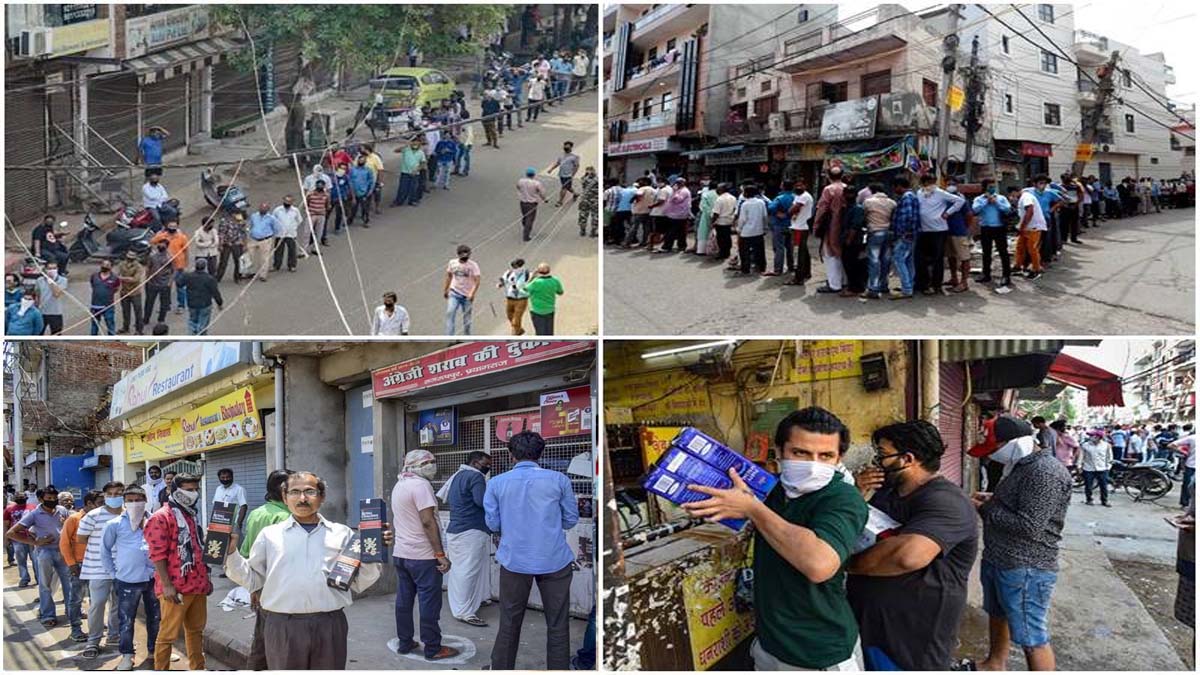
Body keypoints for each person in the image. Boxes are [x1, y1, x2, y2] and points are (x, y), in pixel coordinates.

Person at [683, 408, 868, 670]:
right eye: (800, 453)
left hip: (818, 653)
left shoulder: (842, 499)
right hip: (770, 644)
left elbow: (819, 564)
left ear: (839, 458)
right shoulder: (773, 489)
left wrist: (752, 509)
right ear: (779, 452)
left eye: (825, 456)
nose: (813, 464)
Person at [223, 471, 391, 669]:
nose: (302, 498)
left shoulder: (342, 534)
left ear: (322, 497)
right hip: (282, 625)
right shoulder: (269, 535)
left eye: (310, 491)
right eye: (294, 492)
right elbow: (252, 579)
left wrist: (373, 553)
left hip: (329, 625)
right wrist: (231, 552)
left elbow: (360, 582)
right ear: (285, 497)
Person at [847, 421, 978, 670]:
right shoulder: (887, 491)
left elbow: (906, 557)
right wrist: (855, 493)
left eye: (883, 455)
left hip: (913, 637)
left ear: (907, 459)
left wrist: (843, 563)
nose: (876, 462)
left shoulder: (947, 501)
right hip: (874, 622)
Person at [962, 415, 1071, 671]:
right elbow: (1019, 503)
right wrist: (992, 498)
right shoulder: (1021, 465)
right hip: (1000, 558)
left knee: (1032, 637)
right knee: (998, 616)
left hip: (1026, 566)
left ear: (1016, 443)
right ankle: (994, 664)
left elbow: (1029, 526)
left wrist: (985, 508)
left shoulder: (1045, 473)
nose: (991, 457)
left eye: (994, 449)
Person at [485, 431, 579, 669]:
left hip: (514, 560)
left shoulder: (496, 483)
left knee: (509, 620)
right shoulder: (559, 480)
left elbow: (493, 524)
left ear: (510, 454)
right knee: (557, 622)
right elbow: (570, 519)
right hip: (554, 560)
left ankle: (501, 668)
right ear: (541, 453)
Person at [390, 451, 460, 661]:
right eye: (426, 462)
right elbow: (428, 522)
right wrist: (440, 554)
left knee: (404, 601)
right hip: (423, 556)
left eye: (433, 461)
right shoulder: (421, 486)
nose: (432, 465)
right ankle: (433, 647)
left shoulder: (400, 484)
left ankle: (405, 642)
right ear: (413, 466)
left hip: (402, 554)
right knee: (429, 603)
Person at [144, 473, 209, 671]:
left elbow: (198, 548)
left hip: (197, 584)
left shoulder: (190, 514)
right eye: (188, 490)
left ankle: (198, 668)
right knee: (168, 635)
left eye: (195, 489)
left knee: (196, 630)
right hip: (176, 586)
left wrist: (207, 578)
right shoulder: (160, 517)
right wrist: (167, 585)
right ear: (174, 490)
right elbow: (157, 554)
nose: (193, 494)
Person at [236, 470, 294, 670]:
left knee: (261, 639)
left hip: (259, 584)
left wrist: (253, 586)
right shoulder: (286, 517)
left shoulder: (256, 513)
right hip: (280, 588)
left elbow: (246, 551)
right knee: (280, 644)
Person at [99, 485, 158, 671]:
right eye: (130, 501)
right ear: (124, 503)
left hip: (154, 578)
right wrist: (113, 574)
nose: (134, 504)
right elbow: (105, 551)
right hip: (127, 580)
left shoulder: (155, 521)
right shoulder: (114, 524)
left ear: (145, 500)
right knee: (126, 620)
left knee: (155, 618)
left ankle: (154, 651)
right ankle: (127, 655)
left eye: (138, 500)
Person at [435, 451, 493, 627]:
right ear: (476, 463)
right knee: (467, 571)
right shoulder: (475, 477)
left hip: (458, 530)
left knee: (465, 569)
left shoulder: (458, 475)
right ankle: (464, 612)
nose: (488, 467)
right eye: (486, 463)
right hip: (471, 530)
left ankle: (476, 600)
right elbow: (481, 501)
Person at [7, 485, 74, 628]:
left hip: (63, 552)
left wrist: (65, 525)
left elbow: (71, 528)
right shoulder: (34, 514)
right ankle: (48, 615)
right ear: (40, 499)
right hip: (45, 553)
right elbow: (12, 533)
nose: (52, 500)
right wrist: (35, 542)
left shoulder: (62, 511)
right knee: (45, 586)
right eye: (48, 498)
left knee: (69, 584)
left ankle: (72, 612)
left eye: (54, 498)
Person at [78, 482, 127, 657]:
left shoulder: (129, 514)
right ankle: (93, 642)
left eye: (118, 493)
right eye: (111, 494)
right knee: (97, 605)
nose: (114, 497)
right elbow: (81, 538)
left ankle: (114, 636)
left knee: (118, 605)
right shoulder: (93, 515)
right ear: (105, 496)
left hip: (123, 569)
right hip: (98, 568)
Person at [61, 490, 101, 644]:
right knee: (76, 599)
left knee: (96, 599)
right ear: (89, 503)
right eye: (99, 503)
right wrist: (71, 564)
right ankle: (76, 629)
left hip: (97, 565)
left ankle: (95, 625)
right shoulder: (74, 519)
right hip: (79, 565)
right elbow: (64, 543)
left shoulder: (100, 518)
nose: (103, 506)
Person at [914, 174, 965, 295]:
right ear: (923, 183)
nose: (929, 185)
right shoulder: (920, 193)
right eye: (926, 183)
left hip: (938, 230)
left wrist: (948, 213)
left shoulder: (940, 192)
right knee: (922, 259)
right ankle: (923, 283)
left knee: (937, 259)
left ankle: (936, 284)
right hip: (923, 230)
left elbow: (960, 201)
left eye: (931, 182)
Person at [812, 168, 850, 293]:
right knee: (842, 252)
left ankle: (834, 284)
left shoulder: (829, 189)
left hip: (832, 224)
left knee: (830, 254)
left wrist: (816, 225)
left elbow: (822, 209)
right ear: (842, 175)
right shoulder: (847, 187)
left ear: (828, 176)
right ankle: (844, 280)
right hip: (846, 225)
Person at [972, 179, 1013, 291]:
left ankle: (1006, 275)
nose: (992, 188)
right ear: (984, 187)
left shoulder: (1001, 198)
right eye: (989, 186)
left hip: (999, 228)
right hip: (986, 228)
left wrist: (996, 202)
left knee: (1003, 252)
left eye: (993, 186)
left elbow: (1008, 210)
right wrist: (986, 201)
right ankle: (986, 274)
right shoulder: (979, 199)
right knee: (986, 252)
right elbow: (975, 210)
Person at [862, 183, 896, 299]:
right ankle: (883, 285)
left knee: (874, 261)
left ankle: (873, 288)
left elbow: (864, 216)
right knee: (886, 260)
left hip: (875, 232)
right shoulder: (892, 202)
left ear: (872, 191)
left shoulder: (868, 202)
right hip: (888, 233)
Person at [149, 221, 190, 312]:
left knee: (180, 286)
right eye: (170, 227)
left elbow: (186, 251)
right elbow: (152, 242)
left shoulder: (182, 237)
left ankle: (181, 306)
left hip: (178, 265)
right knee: (166, 287)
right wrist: (155, 250)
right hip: (165, 266)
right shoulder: (163, 236)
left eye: (173, 227)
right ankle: (166, 305)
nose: (171, 229)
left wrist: (186, 264)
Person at [1014, 177, 1049, 280]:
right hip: (1027, 228)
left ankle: (1036, 269)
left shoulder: (1026, 197)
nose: (1012, 198)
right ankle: (1018, 266)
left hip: (1033, 227)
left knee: (1032, 249)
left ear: (1016, 192)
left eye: (1012, 195)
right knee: (1020, 247)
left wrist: (1022, 226)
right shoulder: (1023, 197)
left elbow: (1030, 211)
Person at [444, 244, 481, 336]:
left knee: (467, 318)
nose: (465, 259)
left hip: (467, 295)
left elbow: (477, 280)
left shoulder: (473, 265)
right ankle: (449, 338)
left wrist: (472, 293)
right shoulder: (452, 263)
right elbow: (449, 276)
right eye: (463, 256)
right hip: (454, 292)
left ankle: (467, 336)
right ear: (458, 255)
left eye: (467, 256)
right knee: (450, 313)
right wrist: (446, 289)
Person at [179, 259, 223, 335]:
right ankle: (201, 337)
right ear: (205, 267)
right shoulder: (209, 278)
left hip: (192, 303)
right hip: (205, 304)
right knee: (203, 323)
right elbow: (215, 292)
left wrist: (184, 273)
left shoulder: (188, 276)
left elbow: (179, 283)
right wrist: (220, 303)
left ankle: (192, 336)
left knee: (193, 321)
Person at [943, 179, 972, 293]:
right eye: (949, 184)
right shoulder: (944, 198)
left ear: (958, 186)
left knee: (964, 257)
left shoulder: (961, 199)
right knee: (951, 256)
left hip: (959, 232)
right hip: (947, 231)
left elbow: (969, 215)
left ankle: (964, 282)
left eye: (953, 184)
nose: (950, 186)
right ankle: (954, 278)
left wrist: (965, 228)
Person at [522, 262, 564, 335]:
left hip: (536, 311)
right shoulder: (555, 280)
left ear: (538, 271)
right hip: (550, 310)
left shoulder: (536, 282)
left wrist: (531, 277)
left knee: (540, 332)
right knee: (549, 332)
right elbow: (560, 292)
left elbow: (524, 288)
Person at [735, 184, 768, 275]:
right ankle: (761, 267)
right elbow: (765, 216)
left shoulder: (745, 204)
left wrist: (739, 229)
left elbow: (742, 219)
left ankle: (745, 269)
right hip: (758, 231)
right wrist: (765, 227)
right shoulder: (761, 202)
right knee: (759, 250)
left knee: (744, 251)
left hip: (746, 232)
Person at [4, 493, 36, 586]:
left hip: (32, 538)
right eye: (18, 497)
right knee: (21, 560)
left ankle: (39, 579)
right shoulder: (9, 509)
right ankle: (24, 578)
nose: (20, 499)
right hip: (18, 539)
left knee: (35, 559)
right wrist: (7, 538)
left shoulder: (33, 507)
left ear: (26, 498)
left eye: (22, 497)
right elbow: (6, 525)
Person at [114, 251, 146, 335]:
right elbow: (116, 275)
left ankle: (139, 330)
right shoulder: (122, 264)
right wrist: (124, 278)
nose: (129, 259)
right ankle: (125, 328)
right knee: (125, 311)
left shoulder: (138, 267)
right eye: (128, 257)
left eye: (131, 258)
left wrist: (121, 278)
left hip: (135, 292)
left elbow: (135, 279)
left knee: (138, 312)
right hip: (124, 292)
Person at [1079, 429, 1113, 507]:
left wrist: (1108, 467)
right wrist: (1079, 466)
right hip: (1088, 468)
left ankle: (1104, 500)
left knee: (1103, 486)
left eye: (1093, 436)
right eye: (1091, 436)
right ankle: (1089, 499)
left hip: (1102, 468)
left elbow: (1109, 457)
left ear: (1099, 437)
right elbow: (1081, 456)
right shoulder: (1085, 445)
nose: (1091, 437)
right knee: (1088, 485)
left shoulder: (1106, 445)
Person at [247, 203, 280, 283]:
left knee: (264, 258)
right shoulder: (254, 216)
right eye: (261, 208)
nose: (262, 210)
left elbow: (276, 228)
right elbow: (250, 225)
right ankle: (250, 272)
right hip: (253, 239)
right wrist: (250, 232)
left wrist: (270, 236)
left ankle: (263, 275)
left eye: (264, 209)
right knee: (250, 256)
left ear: (268, 209)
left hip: (265, 240)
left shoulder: (271, 218)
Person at [32, 261, 67, 335]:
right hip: (42, 312)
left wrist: (51, 281)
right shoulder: (39, 280)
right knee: (38, 334)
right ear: (45, 269)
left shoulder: (63, 280)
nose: (52, 270)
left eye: (54, 268)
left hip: (56, 312)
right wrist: (36, 308)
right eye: (49, 268)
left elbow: (56, 294)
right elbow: (37, 294)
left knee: (56, 335)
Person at [213, 468, 248, 539]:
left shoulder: (239, 489)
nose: (225, 479)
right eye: (223, 477)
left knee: (235, 545)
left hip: (233, 523)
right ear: (219, 478)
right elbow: (215, 505)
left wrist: (238, 523)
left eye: (228, 477)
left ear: (232, 477)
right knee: (221, 544)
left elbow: (243, 506)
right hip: (219, 522)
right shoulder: (218, 489)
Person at [498, 258, 531, 335]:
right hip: (510, 299)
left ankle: (514, 334)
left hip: (521, 300)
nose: (515, 269)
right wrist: (501, 284)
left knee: (516, 320)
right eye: (513, 267)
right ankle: (519, 330)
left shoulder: (527, 275)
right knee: (510, 317)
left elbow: (529, 287)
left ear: (521, 266)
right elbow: (504, 281)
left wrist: (519, 290)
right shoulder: (508, 273)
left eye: (516, 267)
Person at [272, 196, 304, 271]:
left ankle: (292, 265)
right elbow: (273, 219)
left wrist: (293, 227)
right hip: (280, 234)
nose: (287, 203)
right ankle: (276, 265)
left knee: (292, 250)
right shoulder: (278, 210)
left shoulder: (295, 210)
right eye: (286, 201)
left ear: (292, 202)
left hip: (291, 234)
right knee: (278, 251)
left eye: (289, 202)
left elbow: (299, 220)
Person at [88, 261, 121, 335]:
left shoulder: (115, 278)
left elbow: (117, 288)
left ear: (111, 267)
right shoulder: (94, 276)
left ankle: (112, 341)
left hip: (108, 306)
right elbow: (93, 285)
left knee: (110, 324)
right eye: (103, 265)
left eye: (107, 265)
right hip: (95, 305)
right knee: (94, 325)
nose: (104, 267)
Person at [517, 168, 549, 241]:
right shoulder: (536, 183)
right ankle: (526, 235)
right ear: (533, 175)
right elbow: (541, 193)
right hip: (532, 203)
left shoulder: (521, 181)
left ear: (526, 174)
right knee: (530, 219)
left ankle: (525, 226)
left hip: (522, 202)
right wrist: (545, 199)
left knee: (525, 215)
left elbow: (518, 187)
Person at [550, 141, 580, 207]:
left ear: (571, 147)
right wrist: (551, 169)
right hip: (561, 174)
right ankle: (575, 194)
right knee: (568, 187)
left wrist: (572, 175)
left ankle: (560, 201)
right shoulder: (561, 155)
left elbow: (577, 166)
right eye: (565, 145)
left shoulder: (574, 157)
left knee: (564, 188)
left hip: (568, 175)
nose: (566, 147)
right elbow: (558, 163)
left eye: (567, 146)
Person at [693, 180, 718, 255]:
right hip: (717, 215)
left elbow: (702, 206)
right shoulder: (719, 194)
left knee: (703, 233)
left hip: (705, 215)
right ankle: (714, 249)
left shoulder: (706, 195)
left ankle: (701, 250)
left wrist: (708, 213)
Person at [578, 166, 599, 237]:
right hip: (595, 200)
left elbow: (583, 183)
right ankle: (593, 231)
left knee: (583, 215)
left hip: (584, 199)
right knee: (595, 215)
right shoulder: (597, 179)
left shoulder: (583, 178)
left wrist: (586, 174)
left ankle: (582, 230)